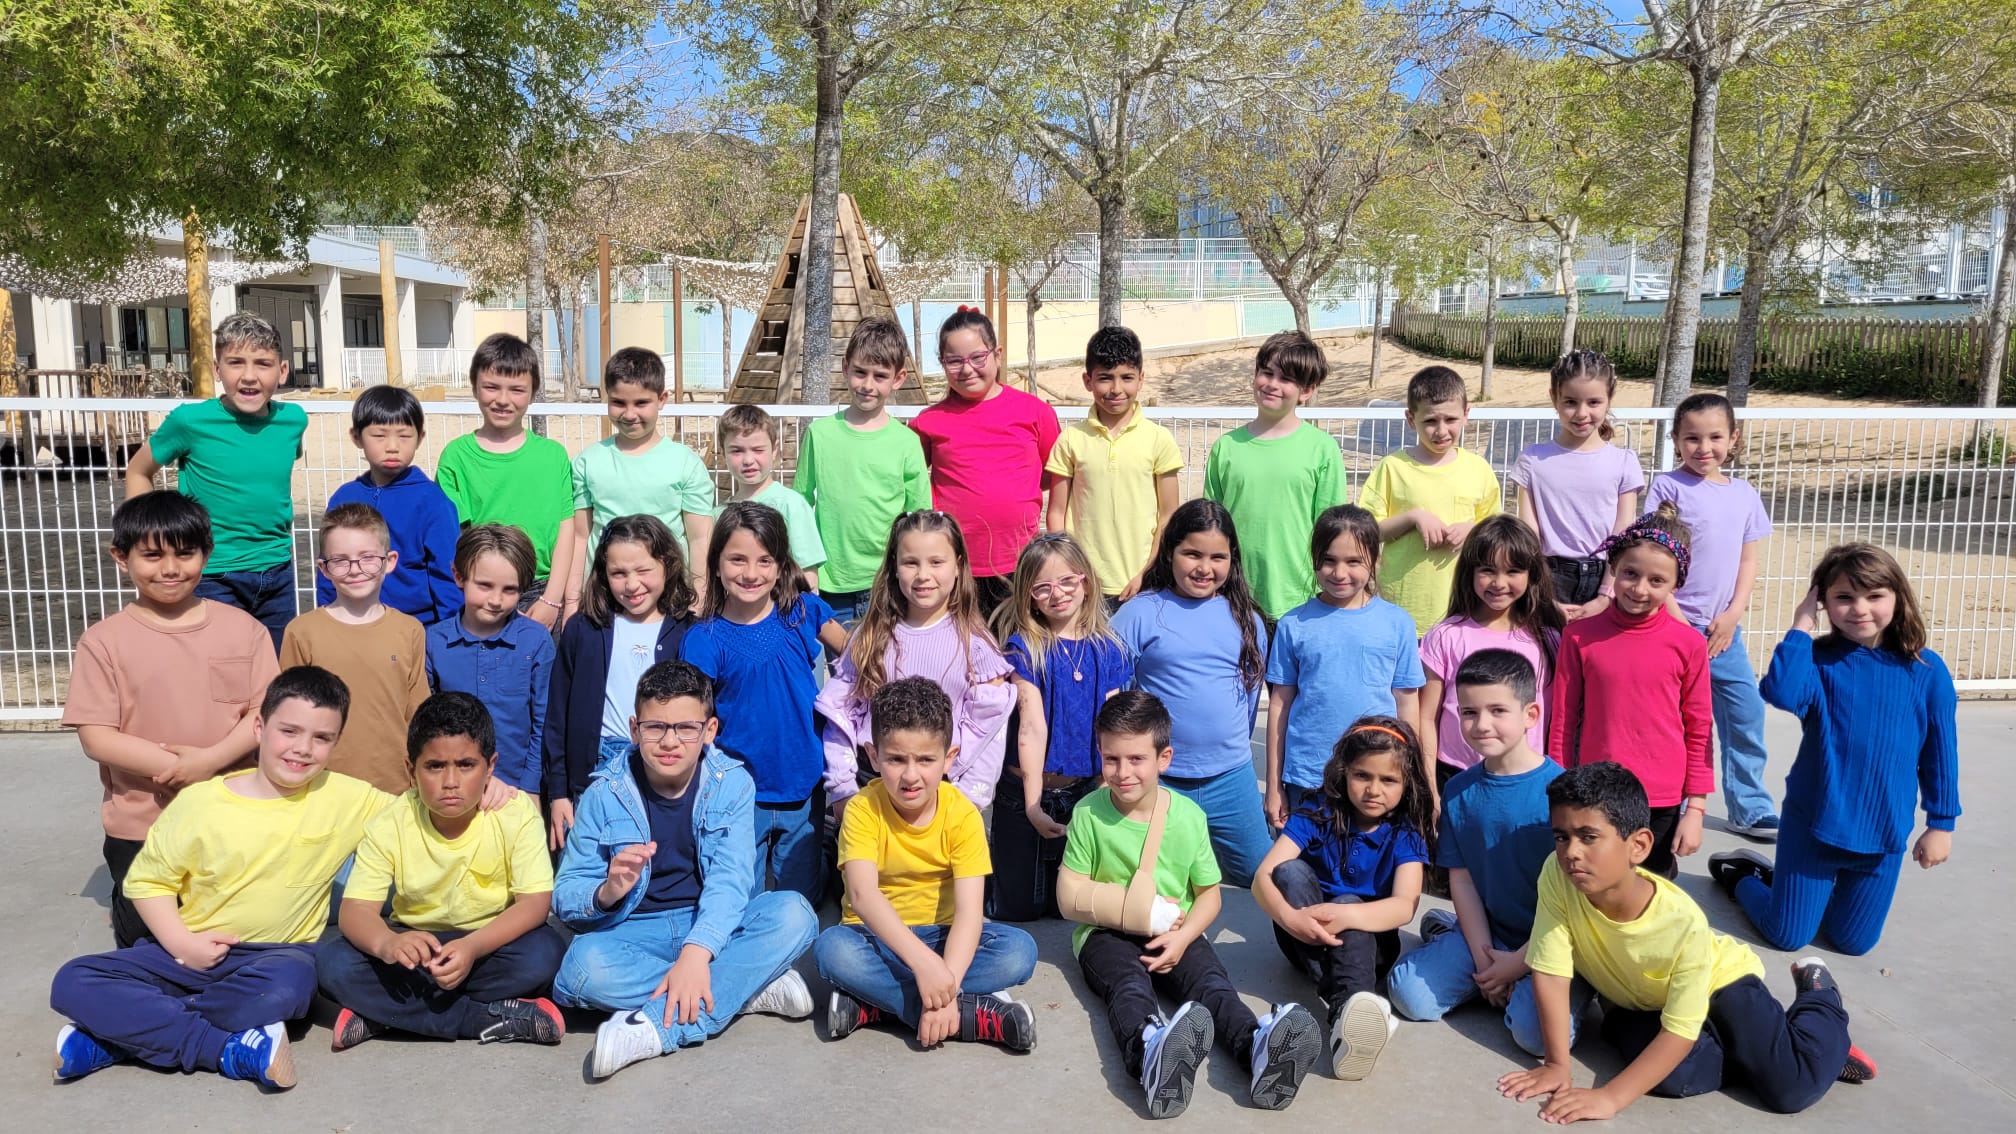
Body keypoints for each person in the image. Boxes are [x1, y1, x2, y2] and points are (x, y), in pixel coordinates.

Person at [50, 666, 393, 1089]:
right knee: (73, 980)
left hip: (276, 958)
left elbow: (417, 817)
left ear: (336, 742)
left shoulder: (348, 797)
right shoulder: (200, 803)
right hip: (186, 954)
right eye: (289, 731)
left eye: (322, 738)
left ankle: (119, 1036)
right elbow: (148, 882)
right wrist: (183, 945)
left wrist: (478, 792)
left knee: (289, 989)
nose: (303, 749)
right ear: (259, 727)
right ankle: (226, 1049)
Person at [1498, 763, 1874, 1123]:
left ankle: (1818, 1003)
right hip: (1646, 1002)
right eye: (1561, 836)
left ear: (1639, 846)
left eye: (1588, 837)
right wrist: (1556, 1065)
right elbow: (1551, 971)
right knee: (1673, 1077)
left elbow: (1679, 1030)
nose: (1571, 852)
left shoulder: (1682, 922)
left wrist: (1610, 1098)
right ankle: (1769, 1052)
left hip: (1722, 985)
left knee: (1791, 1088)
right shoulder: (1557, 874)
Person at [551, 662, 819, 1079]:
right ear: (634, 729)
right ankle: (743, 988)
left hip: (712, 925)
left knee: (795, 913)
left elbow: (731, 882)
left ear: (709, 730)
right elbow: (566, 893)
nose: (669, 741)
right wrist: (607, 891)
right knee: (581, 968)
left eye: (686, 728)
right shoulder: (603, 793)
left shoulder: (732, 784)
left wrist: (697, 954)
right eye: (655, 727)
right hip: (638, 933)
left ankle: (654, 1028)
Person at [1067, 692, 1321, 1119]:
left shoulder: (1187, 816)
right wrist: (1135, 911)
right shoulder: (1088, 814)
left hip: (1176, 931)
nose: (1123, 772)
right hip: (1104, 934)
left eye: (1136, 759)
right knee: (1128, 987)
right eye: (1111, 759)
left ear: (1163, 758)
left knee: (1212, 986)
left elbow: (1209, 894)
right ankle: (1148, 1052)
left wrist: (1184, 937)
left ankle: (1256, 1049)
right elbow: (1070, 895)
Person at [1709, 543, 1959, 956]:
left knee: (1852, 942)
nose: (1860, 609)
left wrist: (1941, 824)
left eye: (1874, 596)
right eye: (1844, 597)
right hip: (1813, 828)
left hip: (1882, 834)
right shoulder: (1818, 662)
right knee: (1788, 935)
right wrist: (1800, 625)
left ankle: (1799, 891)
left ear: (1898, 597)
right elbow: (1781, 692)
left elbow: (1941, 753)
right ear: (1823, 600)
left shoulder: (1926, 671)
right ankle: (1746, 877)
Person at [63, 492, 276, 948]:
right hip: (143, 822)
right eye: (152, 556)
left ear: (207, 554)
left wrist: (210, 762)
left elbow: (265, 712)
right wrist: (178, 768)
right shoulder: (103, 642)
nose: (171, 569)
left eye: (185, 553)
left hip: (231, 813)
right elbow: (97, 736)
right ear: (121, 557)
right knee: (148, 941)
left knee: (239, 931)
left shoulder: (244, 630)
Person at [317, 692, 566, 1049]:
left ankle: (388, 1013)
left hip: (489, 943)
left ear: (490, 766)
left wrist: (472, 947)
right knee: (333, 964)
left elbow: (535, 904)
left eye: (466, 765)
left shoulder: (515, 814)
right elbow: (356, 910)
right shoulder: (390, 823)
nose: (450, 781)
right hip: (413, 948)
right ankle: (487, 1017)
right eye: (434, 766)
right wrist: (388, 943)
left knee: (545, 954)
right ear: (411, 770)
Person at [813, 677, 1039, 1051]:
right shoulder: (862, 809)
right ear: (873, 756)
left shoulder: (962, 814)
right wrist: (926, 968)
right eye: (896, 759)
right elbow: (863, 896)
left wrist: (945, 977)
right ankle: (968, 1016)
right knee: (831, 949)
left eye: (925, 760)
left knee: (1019, 951)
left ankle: (877, 1004)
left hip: (944, 936)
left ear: (949, 757)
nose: (911, 775)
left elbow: (969, 913)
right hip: (876, 937)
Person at [1386, 650, 1586, 1056]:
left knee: (1537, 1038)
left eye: (1498, 711)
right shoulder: (1459, 791)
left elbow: (1577, 902)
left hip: (1556, 940)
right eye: (1469, 712)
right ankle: (1466, 949)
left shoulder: (1565, 795)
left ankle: (1554, 989)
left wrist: (1517, 964)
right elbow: (1461, 879)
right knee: (1409, 995)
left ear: (1531, 714)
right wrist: (1484, 962)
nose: (1481, 724)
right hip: (1489, 931)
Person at [681, 502, 849, 901]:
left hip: (803, 782)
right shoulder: (704, 639)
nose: (751, 573)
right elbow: (691, 716)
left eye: (764, 560)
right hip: (739, 793)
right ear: (716, 563)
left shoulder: (802, 612)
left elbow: (856, 654)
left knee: (800, 902)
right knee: (743, 902)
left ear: (780, 565)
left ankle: (825, 851)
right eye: (737, 559)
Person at [1252, 717, 1431, 1083]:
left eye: (1388, 780)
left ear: (1407, 783)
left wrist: (1347, 915)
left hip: (1370, 947)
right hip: (1304, 935)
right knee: (1289, 871)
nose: (1373, 790)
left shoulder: (1405, 832)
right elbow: (1262, 878)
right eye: (1362, 775)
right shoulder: (1318, 811)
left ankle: (1346, 1013)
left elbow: (1404, 906)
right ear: (1344, 771)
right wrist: (1289, 917)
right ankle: (1353, 1007)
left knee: (1350, 901)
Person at [123, 311, 307, 650]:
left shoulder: (293, 421)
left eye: (263, 364)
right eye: (236, 362)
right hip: (212, 573)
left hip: (278, 571)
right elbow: (138, 471)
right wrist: (148, 537)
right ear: (217, 369)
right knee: (216, 667)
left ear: (282, 371)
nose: (249, 376)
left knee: (274, 668)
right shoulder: (190, 421)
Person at [1547, 504, 1712, 879]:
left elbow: (1700, 727)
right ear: (1614, 568)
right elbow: (1563, 720)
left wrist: (1696, 810)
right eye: (1630, 574)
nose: (1639, 589)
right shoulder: (1579, 636)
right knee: (1593, 885)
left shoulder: (1689, 644)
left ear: (1676, 585)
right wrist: (1558, 787)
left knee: (1650, 892)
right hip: (1596, 793)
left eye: (1657, 581)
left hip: (1661, 799)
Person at [1112, 500, 1272, 886]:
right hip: (1159, 779)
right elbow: (1114, 698)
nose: (1204, 568)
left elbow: (1249, 701)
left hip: (1230, 778)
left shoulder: (1248, 620)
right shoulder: (1138, 614)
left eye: (1218, 557)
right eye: (1192, 554)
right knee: (1149, 880)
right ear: (1169, 552)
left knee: (1263, 876)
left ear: (1232, 559)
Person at [816, 510, 1015, 810]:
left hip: (943, 792)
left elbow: (989, 731)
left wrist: (968, 802)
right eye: (911, 562)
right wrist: (842, 789)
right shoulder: (870, 637)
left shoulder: (977, 646)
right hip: (871, 786)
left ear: (958, 566)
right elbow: (839, 714)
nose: (923, 575)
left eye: (936, 562)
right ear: (894, 567)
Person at [1648, 392, 1779, 840]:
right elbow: (1655, 555)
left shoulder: (1743, 494)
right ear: (1675, 440)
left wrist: (1733, 613)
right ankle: (1672, 804)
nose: (1704, 448)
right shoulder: (1667, 488)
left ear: (1733, 438)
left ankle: (1750, 806)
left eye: (1715, 437)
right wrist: (1677, 619)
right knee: (1679, 721)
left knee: (1745, 713)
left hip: (1724, 634)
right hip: (1671, 630)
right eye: (1692, 438)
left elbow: (1748, 560)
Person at [988, 534, 1133, 921]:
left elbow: (1112, 728)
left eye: (1067, 581)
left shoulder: (1109, 649)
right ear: (1029, 596)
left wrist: (1107, 789)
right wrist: (1033, 806)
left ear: (1086, 581)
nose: (1058, 594)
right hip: (1024, 792)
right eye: (1043, 587)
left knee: (1065, 906)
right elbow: (1032, 728)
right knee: (1019, 909)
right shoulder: (1024, 647)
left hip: (1082, 790)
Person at [1265, 505, 1423, 828]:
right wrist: (1272, 784)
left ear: (1375, 560)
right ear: (1314, 560)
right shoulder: (1294, 624)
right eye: (1329, 560)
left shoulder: (1397, 623)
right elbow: (1280, 704)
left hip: (1375, 778)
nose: (1339, 573)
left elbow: (1407, 703)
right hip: (1308, 778)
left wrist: (1411, 775)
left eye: (1354, 562)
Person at [544, 515, 696, 850]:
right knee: (588, 865)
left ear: (668, 564)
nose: (632, 584)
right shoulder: (583, 628)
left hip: (663, 766)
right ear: (603, 573)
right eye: (618, 573)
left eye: (643, 571)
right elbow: (557, 715)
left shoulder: (688, 632)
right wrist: (558, 792)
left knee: (651, 862)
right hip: (593, 769)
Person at [910, 306, 1061, 613]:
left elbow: (1053, 475)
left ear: (997, 355)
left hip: (1020, 562)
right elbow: (908, 479)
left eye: (977, 357)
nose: (967, 369)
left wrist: (1016, 494)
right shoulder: (928, 422)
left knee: (1018, 641)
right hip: (953, 565)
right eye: (954, 361)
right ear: (942, 363)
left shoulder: (1035, 412)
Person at [794, 316, 932, 632]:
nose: (868, 385)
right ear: (845, 368)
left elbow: (920, 519)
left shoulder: (907, 442)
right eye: (860, 372)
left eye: (880, 376)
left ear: (898, 379)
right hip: (830, 581)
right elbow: (799, 504)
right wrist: (804, 566)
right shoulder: (819, 434)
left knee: (888, 662)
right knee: (841, 663)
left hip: (889, 583)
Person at [279, 503, 428, 794]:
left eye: (367, 558)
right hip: (320, 789)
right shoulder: (301, 632)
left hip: (394, 790)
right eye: (341, 560)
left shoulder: (410, 630)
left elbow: (419, 716)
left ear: (390, 561)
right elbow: (288, 718)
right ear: (323, 568)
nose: (355, 569)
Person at [1202, 330, 1348, 619]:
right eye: (1267, 373)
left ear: (1307, 391)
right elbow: (1212, 526)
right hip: (1234, 596)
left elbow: (1331, 529)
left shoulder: (1322, 449)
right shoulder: (1226, 447)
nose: (1272, 384)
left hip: (1299, 598)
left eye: (1286, 379)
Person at [435, 333, 577, 629]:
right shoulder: (457, 456)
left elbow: (566, 528)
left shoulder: (553, 456)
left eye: (516, 390)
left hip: (542, 590)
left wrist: (552, 599)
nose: (502, 400)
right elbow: (456, 534)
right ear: (474, 387)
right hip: (483, 590)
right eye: (491, 387)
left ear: (533, 392)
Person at [1417, 515, 1562, 802]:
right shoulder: (1445, 635)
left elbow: (1555, 719)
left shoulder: (1548, 639)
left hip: (1526, 781)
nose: (1499, 582)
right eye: (1487, 570)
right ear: (1469, 571)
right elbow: (1426, 717)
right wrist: (1429, 788)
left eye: (1513, 571)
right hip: (1454, 778)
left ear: (1532, 574)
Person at [564, 347, 714, 615]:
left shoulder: (685, 463)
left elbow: (700, 539)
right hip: (603, 598)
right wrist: (573, 602)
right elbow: (580, 536)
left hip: (670, 598)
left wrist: (700, 600)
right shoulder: (588, 462)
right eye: (619, 403)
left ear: (662, 399)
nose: (630, 414)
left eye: (641, 403)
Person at [1359, 365, 1504, 637]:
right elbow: (1366, 530)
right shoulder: (1392, 468)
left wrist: (1473, 529)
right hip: (1402, 610)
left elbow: (1498, 533)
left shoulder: (1479, 470)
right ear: (1410, 418)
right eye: (1430, 421)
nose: (1441, 430)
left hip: (1463, 609)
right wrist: (1412, 517)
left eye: (1450, 419)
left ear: (1466, 414)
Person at [1043, 326, 1181, 605]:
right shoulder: (1070, 439)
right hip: (1085, 585)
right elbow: (1056, 514)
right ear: (1088, 381)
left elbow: (1169, 516)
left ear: (1141, 379)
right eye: (1105, 378)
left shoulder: (1159, 439)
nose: (1116, 389)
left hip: (1145, 585)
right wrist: (1072, 572)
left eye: (1126, 377)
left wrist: (1148, 572)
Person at [1510, 349, 1643, 618]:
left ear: (1609, 400)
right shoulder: (1533, 460)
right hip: (1548, 577)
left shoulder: (1624, 462)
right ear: (1554, 399)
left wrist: (1606, 594)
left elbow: (1623, 534)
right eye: (1571, 402)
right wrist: (1544, 594)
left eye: (1593, 402)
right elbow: (1529, 534)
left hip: (1608, 578)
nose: (1582, 413)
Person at [425, 524, 555, 795]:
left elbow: (544, 722)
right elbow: (427, 722)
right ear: (458, 576)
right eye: (484, 586)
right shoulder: (434, 642)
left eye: (510, 590)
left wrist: (531, 788)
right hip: (452, 790)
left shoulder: (536, 641)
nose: (496, 600)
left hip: (516, 791)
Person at [317, 384, 462, 625]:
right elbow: (330, 568)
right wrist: (326, 620)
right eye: (379, 435)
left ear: (420, 438)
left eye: (404, 436)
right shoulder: (344, 498)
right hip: (350, 623)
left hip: (417, 627)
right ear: (356, 437)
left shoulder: (433, 501)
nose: (392, 446)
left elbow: (447, 574)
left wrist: (451, 634)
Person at [716, 404, 827, 589]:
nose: (748, 460)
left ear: (774, 450)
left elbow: (808, 577)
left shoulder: (791, 505)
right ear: (723, 452)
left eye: (758, 450)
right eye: (737, 451)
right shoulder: (718, 514)